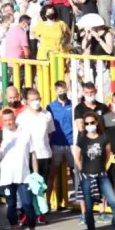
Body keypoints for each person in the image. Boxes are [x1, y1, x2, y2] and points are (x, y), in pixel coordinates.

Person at [74, 112, 115, 230]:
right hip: (87, 177)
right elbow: (77, 158)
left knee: (114, 203)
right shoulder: (82, 140)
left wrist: (102, 168)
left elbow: (108, 156)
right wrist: (83, 170)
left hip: (102, 175)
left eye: (92, 123)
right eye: (87, 123)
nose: (90, 125)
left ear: (97, 123)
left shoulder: (103, 139)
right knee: (88, 208)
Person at [0, 109, 41, 230]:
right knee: (11, 206)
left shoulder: (25, 132)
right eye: (6, 120)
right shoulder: (1, 135)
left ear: (15, 119)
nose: (8, 123)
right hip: (7, 178)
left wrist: (35, 174)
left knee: (28, 205)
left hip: (24, 176)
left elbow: (33, 154)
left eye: (11, 119)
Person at [16, 88, 54, 225]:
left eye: (38, 99)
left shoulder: (47, 115)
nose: (36, 102)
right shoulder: (21, 117)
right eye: (32, 100)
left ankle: (41, 213)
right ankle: (28, 213)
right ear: (26, 101)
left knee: (41, 185)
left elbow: (50, 134)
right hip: (28, 156)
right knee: (28, 186)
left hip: (44, 154)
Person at [46, 81, 74, 209]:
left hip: (71, 143)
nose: (62, 92)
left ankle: (78, 201)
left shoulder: (73, 105)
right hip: (56, 144)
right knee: (52, 174)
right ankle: (46, 203)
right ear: (55, 91)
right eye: (59, 90)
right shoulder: (50, 107)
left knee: (75, 172)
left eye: (64, 89)